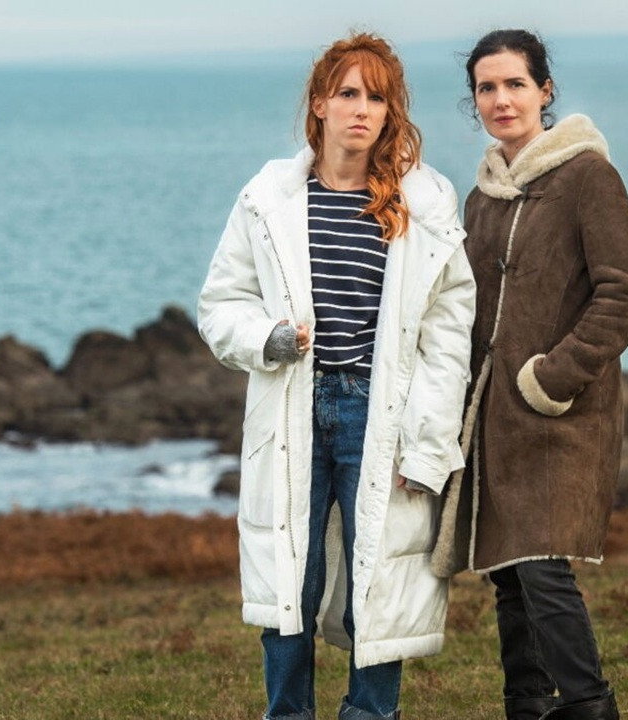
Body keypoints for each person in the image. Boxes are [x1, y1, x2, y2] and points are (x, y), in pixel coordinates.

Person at [197, 32, 475, 720]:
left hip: (378, 412)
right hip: (291, 402)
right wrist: (267, 337)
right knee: (288, 578)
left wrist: (429, 445)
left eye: (377, 98)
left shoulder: (425, 203)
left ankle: (370, 715)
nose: (362, 110)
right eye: (349, 93)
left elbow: (447, 337)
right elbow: (221, 303)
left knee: (377, 578)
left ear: (390, 113)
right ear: (319, 104)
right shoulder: (269, 197)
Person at [431, 29, 628, 720]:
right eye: (486, 88)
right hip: (492, 419)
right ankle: (526, 706)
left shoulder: (587, 177)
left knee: (543, 566)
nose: (501, 100)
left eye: (515, 85)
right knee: (508, 571)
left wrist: (553, 378)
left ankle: (589, 705)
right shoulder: (481, 197)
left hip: (561, 413)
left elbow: (625, 293)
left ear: (544, 90)